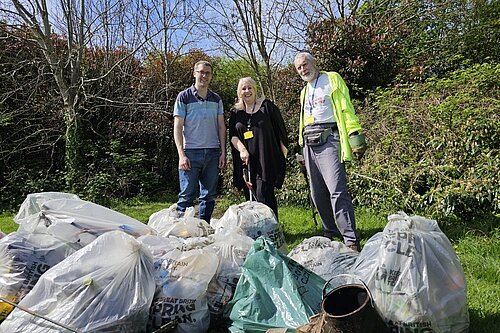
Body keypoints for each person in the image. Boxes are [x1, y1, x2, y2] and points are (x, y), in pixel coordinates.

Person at [294, 52, 367, 251]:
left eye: (305, 65)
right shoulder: (304, 91)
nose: (303, 70)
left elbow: (345, 108)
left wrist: (354, 132)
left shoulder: (332, 79)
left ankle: (350, 239)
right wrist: (301, 145)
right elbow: (304, 119)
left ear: (314, 63)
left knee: (337, 190)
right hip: (309, 143)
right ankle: (330, 233)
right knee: (317, 193)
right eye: (299, 68)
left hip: (330, 139)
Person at [173, 60, 226, 222]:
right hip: (190, 153)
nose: (204, 76)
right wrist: (181, 155)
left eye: (207, 73)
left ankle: (205, 228)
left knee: (209, 195)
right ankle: (180, 232)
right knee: (186, 196)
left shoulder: (216, 99)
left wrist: (222, 152)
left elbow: (221, 127)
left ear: (211, 76)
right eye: (201, 72)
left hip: (212, 152)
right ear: (194, 73)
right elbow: (177, 127)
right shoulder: (184, 97)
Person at [229, 77, 289, 219]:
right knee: (249, 196)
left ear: (255, 90)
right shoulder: (236, 113)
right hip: (247, 162)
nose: (247, 91)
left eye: (250, 87)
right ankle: (255, 229)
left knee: (263, 194)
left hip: (265, 159)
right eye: (243, 88)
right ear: (239, 93)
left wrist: (282, 157)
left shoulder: (267, 107)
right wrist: (242, 150)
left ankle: (271, 228)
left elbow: (281, 132)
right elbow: (232, 136)